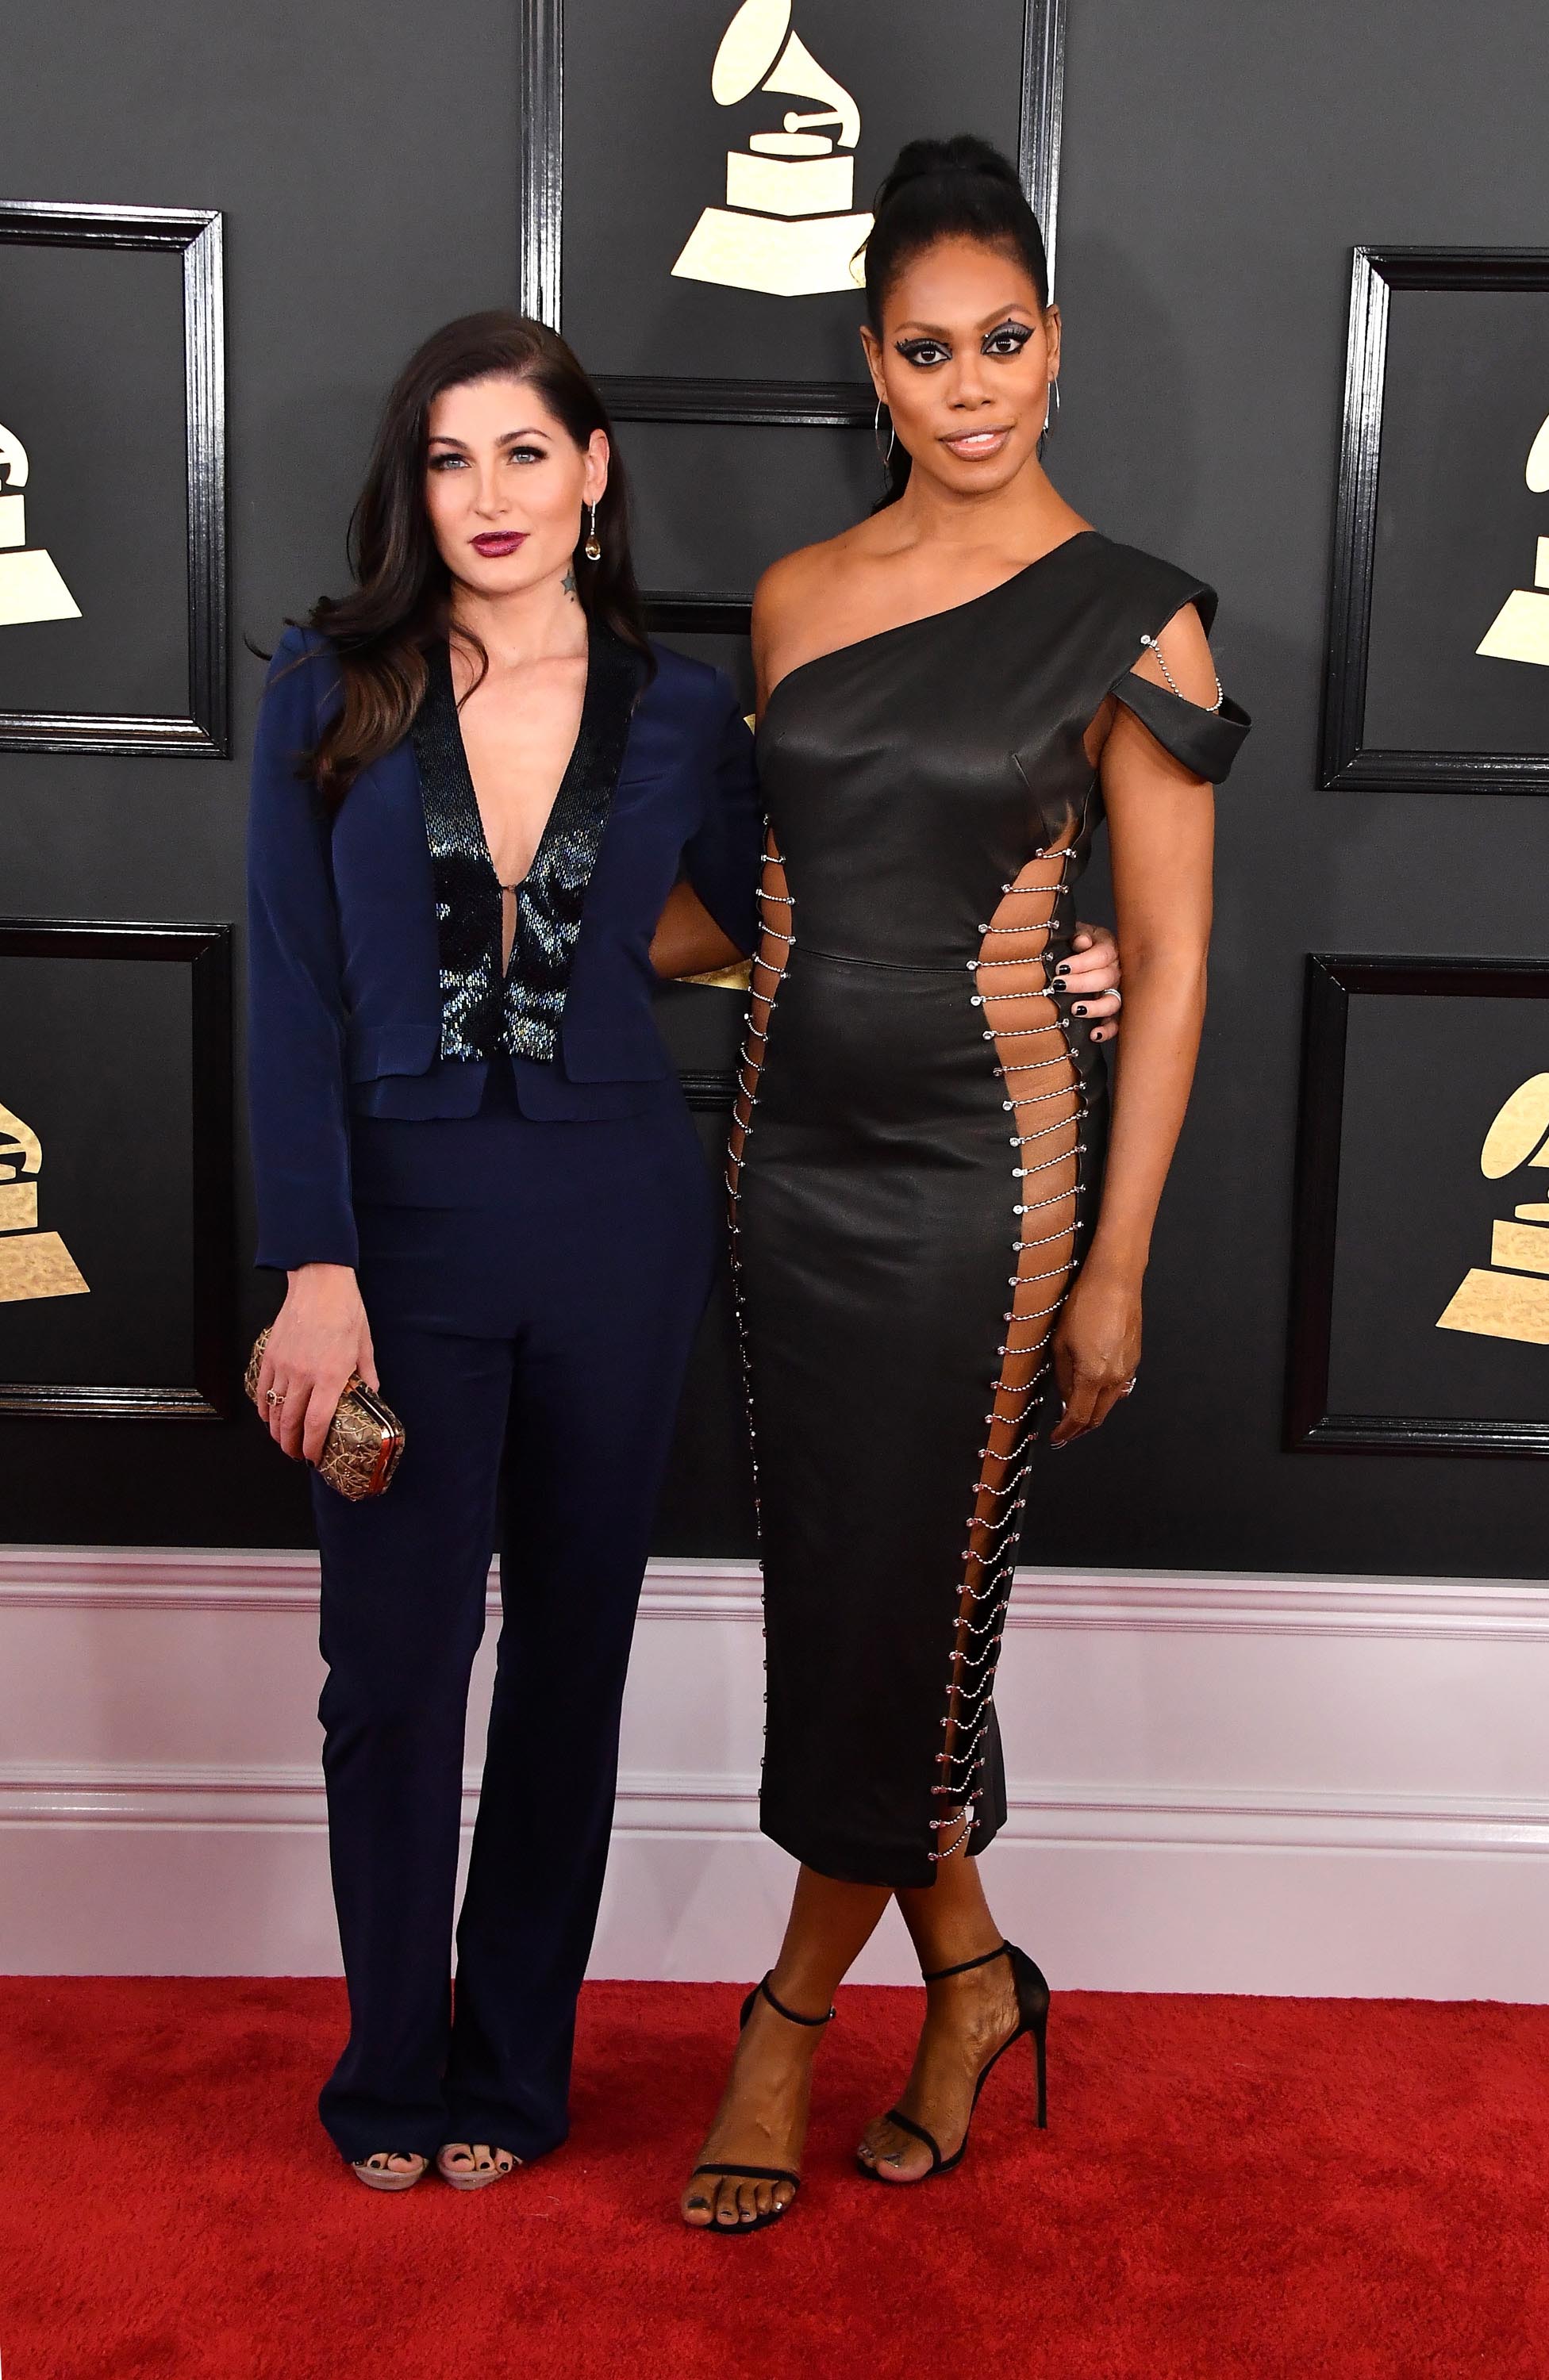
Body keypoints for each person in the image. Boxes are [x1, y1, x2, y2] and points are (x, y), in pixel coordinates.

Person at [682, 136, 1249, 2233]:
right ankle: (977, 1980)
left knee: (904, 1608)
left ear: (1057, 345)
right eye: (928, 350)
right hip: (784, 1162)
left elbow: (1175, 965)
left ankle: (784, 2024)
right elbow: (780, 895)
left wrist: (1117, 1271)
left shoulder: (1139, 616)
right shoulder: (800, 599)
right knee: (854, 1609)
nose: (972, 383)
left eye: (1004, 338)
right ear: (876, 366)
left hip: (984, 1186)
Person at [246, 311, 765, 2191]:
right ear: (417, 484)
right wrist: (314, 1266)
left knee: (569, 1658)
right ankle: (389, 2069)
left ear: (595, 472)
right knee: (389, 1668)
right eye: (451, 459)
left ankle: (514, 2072)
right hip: (391, 1241)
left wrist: (1055, 958)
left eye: (524, 454)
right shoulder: (331, 684)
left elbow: (801, 907)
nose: (487, 496)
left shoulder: (690, 711)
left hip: (618, 1228)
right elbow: (289, 993)